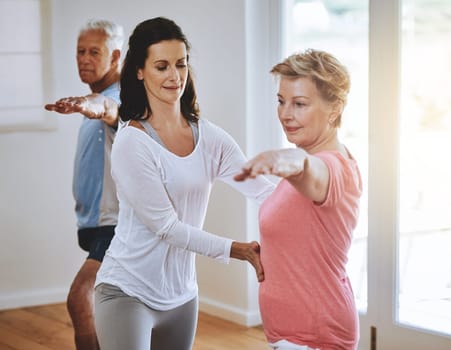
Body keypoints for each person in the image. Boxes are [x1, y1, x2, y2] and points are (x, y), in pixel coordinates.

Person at [90, 17, 275, 350]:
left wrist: (310, 195)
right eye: (162, 66)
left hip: (182, 296)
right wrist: (239, 250)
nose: (175, 76)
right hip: (127, 291)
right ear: (139, 71)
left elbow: (263, 190)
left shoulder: (211, 137)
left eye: (181, 64)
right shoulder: (133, 143)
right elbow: (166, 227)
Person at [234, 49, 362, 349]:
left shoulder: (335, 167)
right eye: (281, 101)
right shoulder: (309, 157)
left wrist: (287, 159)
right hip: (291, 336)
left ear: (334, 109)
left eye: (300, 104)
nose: (285, 114)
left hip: (316, 336)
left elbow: (310, 171)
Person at [44, 19, 124, 350]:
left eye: (95, 52)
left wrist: (86, 104)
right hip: (95, 222)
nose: (84, 59)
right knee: (111, 308)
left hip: (115, 225)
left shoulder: (118, 98)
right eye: (80, 51)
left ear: (116, 56)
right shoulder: (97, 96)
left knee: (81, 299)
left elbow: (110, 110)